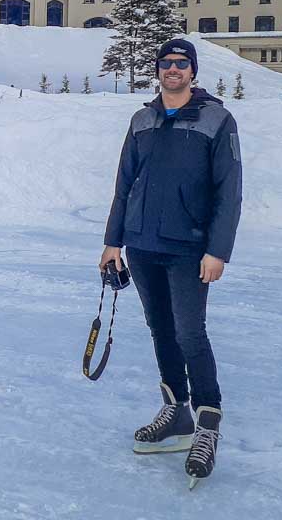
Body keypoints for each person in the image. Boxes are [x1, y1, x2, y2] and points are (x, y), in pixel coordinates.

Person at [99, 38, 243, 485]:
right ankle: (175, 411)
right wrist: (113, 243)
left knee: (189, 332)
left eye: (181, 64)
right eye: (166, 64)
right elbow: (124, 184)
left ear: (193, 72)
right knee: (160, 329)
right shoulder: (142, 119)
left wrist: (217, 250)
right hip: (142, 244)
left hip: (189, 247)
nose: (173, 70)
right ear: (158, 70)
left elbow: (229, 193)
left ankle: (207, 423)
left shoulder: (217, 119)